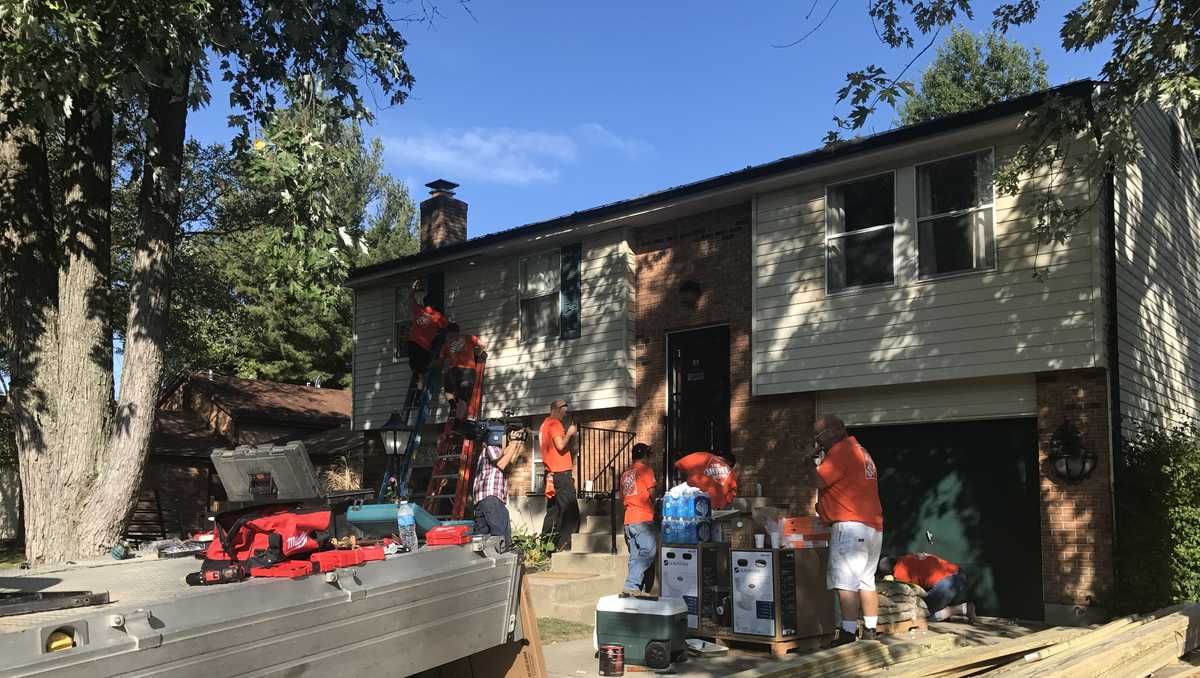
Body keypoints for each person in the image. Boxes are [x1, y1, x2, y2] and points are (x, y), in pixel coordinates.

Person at [811, 414, 884, 646]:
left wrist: (807, 462)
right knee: (866, 581)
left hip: (850, 526)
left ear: (833, 431)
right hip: (872, 526)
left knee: (846, 583)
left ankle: (848, 633)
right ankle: (870, 630)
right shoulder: (861, 451)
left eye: (818, 437)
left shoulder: (841, 451)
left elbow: (819, 480)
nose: (818, 442)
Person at [878, 553, 977, 623]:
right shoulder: (906, 558)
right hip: (957, 572)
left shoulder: (899, 573)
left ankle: (962, 609)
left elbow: (908, 594)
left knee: (925, 616)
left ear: (890, 572)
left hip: (948, 581)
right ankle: (945, 611)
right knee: (930, 607)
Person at [538, 400, 580, 551]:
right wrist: (569, 433)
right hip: (561, 474)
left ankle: (545, 547)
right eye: (564, 410)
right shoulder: (555, 424)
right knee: (571, 511)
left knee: (553, 512)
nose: (565, 413)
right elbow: (561, 445)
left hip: (551, 474)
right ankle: (564, 545)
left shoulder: (544, 425)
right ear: (557, 409)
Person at [619, 443, 659, 596]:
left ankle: (636, 590)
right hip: (643, 518)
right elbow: (652, 493)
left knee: (635, 556)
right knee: (649, 551)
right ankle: (632, 584)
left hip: (629, 519)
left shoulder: (625, 473)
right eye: (648, 455)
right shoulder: (645, 470)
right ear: (644, 456)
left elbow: (623, 496)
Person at [472, 439, 523, 549]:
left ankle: (483, 564)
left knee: (482, 540)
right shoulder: (491, 446)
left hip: (482, 499)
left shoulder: (493, 450)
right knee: (501, 537)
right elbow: (502, 463)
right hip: (491, 497)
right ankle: (503, 562)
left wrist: (516, 443)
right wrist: (514, 442)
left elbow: (509, 459)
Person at [405, 279, 449, 390]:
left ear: (424, 303)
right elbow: (447, 327)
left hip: (413, 343)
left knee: (417, 370)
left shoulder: (418, 310)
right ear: (433, 304)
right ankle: (420, 390)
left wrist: (413, 289)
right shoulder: (438, 316)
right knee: (422, 372)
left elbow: (410, 299)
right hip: (424, 347)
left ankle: (418, 387)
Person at [440, 323, 485, 421]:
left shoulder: (446, 344)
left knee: (448, 389)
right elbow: (483, 344)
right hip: (469, 371)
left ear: (448, 333)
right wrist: (477, 354)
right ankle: (458, 421)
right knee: (463, 398)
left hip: (455, 371)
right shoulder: (468, 337)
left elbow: (442, 360)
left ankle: (453, 406)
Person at [673, 450, 737, 509]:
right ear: (730, 463)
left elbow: (679, 465)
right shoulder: (731, 472)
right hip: (714, 509)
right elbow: (730, 496)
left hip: (692, 503)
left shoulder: (702, 456)